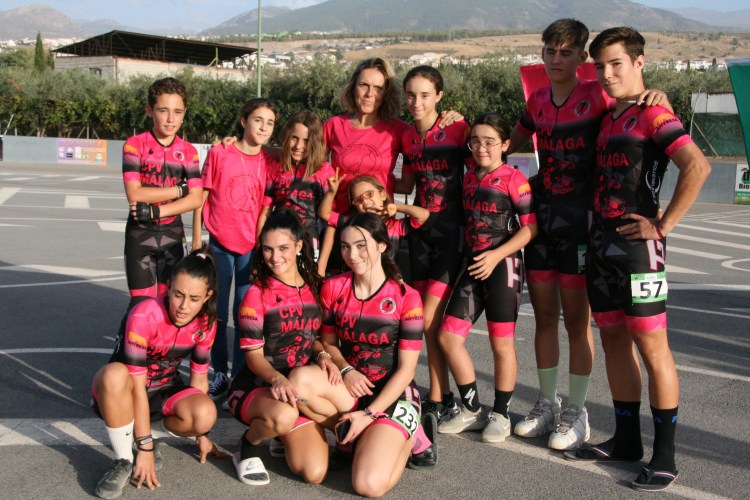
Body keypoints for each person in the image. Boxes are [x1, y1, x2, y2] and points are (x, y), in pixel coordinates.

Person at [508, 18, 672, 451]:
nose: (556, 59)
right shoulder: (537, 100)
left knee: (578, 323)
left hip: (585, 225)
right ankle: (547, 403)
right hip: (543, 223)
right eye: (550, 51)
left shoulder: (598, 94)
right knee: (545, 318)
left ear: (581, 58)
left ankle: (577, 411)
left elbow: (637, 102)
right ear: (541, 53)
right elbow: (508, 143)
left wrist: (658, 94)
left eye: (566, 52)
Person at [564, 27, 710, 492]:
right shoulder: (609, 114)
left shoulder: (654, 114)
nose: (607, 74)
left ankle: (664, 456)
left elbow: (697, 166)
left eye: (616, 64)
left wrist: (663, 225)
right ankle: (626, 441)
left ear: (639, 63)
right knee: (613, 342)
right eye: (600, 66)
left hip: (639, 251)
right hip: (600, 248)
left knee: (652, 348)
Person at [289, 213, 430, 496]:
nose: (352, 255)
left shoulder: (407, 297)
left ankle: (413, 435)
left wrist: (368, 415)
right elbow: (327, 342)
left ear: (382, 245)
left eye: (361, 245)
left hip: (393, 393)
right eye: (345, 246)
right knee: (298, 382)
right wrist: (345, 369)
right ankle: (357, 437)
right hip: (352, 386)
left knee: (368, 485)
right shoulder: (333, 287)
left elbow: (407, 371)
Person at [91, 246, 224, 500]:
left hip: (162, 390)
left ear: (207, 296)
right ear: (169, 286)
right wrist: (145, 449)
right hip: (122, 391)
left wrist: (202, 435)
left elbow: (199, 381)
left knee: (205, 413)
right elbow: (138, 387)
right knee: (114, 374)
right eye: (178, 294)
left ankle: (148, 432)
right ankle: (123, 459)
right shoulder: (144, 315)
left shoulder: (207, 323)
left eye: (194, 298)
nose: (184, 306)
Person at [437, 113, 538, 443]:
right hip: (472, 267)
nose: (481, 148)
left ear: (506, 145)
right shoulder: (469, 175)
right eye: (476, 142)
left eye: (490, 142)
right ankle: (471, 409)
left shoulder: (514, 179)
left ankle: (501, 414)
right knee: (448, 337)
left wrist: (495, 256)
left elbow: (530, 229)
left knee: (501, 344)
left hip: (503, 267)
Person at [225, 208, 336, 485]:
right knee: (284, 414)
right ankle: (248, 445)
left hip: (296, 389)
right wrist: (277, 379)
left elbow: (312, 337)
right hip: (257, 386)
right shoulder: (256, 293)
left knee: (314, 473)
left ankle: (280, 434)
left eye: (283, 248)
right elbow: (253, 357)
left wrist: (323, 354)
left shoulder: (314, 286)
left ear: (298, 246)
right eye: (268, 249)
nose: (275, 257)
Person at [396, 65, 470, 426]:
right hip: (419, 233)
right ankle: (440, 397)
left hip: (452, 233)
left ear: (439, 96)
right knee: (427, 324)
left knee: (427, 319)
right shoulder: (407, 135)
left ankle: (443, 397)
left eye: (425, 95)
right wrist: (360, 175)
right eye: (411, 94)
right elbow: (405, 185)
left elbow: (483, 168)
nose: (417, 102)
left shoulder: (458, 128)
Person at [193, 98, 279, 401]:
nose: (263, 127)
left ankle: (241, 376)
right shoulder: (220, 153)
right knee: (215, 312)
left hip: (251, 248)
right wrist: (196, 240)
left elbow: (290, 152)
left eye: (270, 123)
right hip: (219, 243)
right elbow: (201, 198)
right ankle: (220, 372)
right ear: (243, 121)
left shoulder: (269, 161)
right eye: (258, 120)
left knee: (246, 314)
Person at [119, 76, 203, 339]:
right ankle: (126, 356)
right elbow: (135, 193)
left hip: (172, 237)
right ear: (149, 110)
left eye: (177, 112)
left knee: (171, 306)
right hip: (140, 236)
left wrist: (156, 210)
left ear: (185, 113)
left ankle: (161, 359)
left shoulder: (189, 151)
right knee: (140, 307)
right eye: (163, 110)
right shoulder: (134, 145)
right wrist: (178, 191)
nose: (170, 119)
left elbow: (196, 199)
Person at [323, 58, 462, 213]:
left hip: (381, 222)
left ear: (386, 93)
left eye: (378, 88)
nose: (369, 94)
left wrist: (451, 119)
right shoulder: (332, 126)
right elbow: (312, 170)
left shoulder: (400, 130)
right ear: (353, 87)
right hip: (339, 220)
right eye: (363, 85)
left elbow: (408, 185)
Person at [261, 110, 335, 275]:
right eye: (294, 138)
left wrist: (322, 264)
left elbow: (331, 223)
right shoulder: (275, 167)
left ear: (315, 142)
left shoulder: (325, 171)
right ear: (286, 136)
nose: (298, 146)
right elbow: (265, 211)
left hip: (309, 244)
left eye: (306, 141)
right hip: (277, 244)